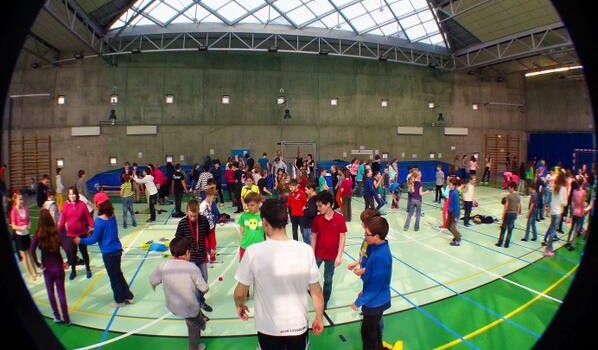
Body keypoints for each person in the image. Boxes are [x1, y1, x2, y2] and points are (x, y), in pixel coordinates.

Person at [233, 198, 324, 350]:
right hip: (298, 327)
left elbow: (239, 293)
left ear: (265, 222)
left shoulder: (253, 252)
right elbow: (316, 291)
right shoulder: (305, 250)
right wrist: (319, 318)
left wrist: (239, 305)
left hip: (268, 328)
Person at [74, 192, 134, 306]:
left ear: (98, 205)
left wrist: (80, 240)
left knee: (114, 278)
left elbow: (93, 240)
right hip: (117, 250)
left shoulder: (99, 221)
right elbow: (106, 232)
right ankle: (128, 296)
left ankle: (120, 301)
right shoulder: (112, 216)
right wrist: (94, 231)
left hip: (109, 253)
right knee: (119, 274)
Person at [149, 237, 209, 350]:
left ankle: (200, 320)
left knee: (192, 316)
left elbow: (153, 280)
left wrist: (155, 286)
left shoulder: (163, 266)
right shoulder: (192, 267)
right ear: (187, 252)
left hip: (172, 306)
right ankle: (194, 347)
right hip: (189, 308)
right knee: (193, 328)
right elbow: (204, 288)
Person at [351, 215, 392, 350]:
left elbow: (376, 287)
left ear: (377, 236)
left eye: (367, 234)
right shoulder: (375, 248)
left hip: (376, 302)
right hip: (374, 298)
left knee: (368, 334)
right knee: (374, 331)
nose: (364, 236)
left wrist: (359, 301)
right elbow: (371, 273)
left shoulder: (381, 256)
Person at [30, 209, 70, 324]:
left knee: (50, 292)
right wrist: (69, 262)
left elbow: (32, 250)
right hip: (58, 266)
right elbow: (68, 248)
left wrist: (38, 264)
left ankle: (57, 316)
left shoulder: (38, 234)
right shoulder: (56, 232)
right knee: (61, 292)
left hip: (47, 268)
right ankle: (66, 318)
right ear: (50, 219)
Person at [175, 199, 213, 313]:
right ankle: (196, 304)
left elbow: (208, 234)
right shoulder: (182, 223)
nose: (192, 218)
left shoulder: (203, 221)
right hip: (189, 258)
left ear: (198, 213)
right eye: (190, 216)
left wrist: (211, 248)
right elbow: (177, 239)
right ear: (186, 211)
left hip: (201, 256)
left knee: (204, 280)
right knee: (192, 283)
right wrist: (179, 256)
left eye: (195, 216)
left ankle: (199, 300)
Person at [311, 190, 347, 309]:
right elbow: (314, 236)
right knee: (310, 275)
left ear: (329, 204)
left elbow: (342, 237)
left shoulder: (340, 218)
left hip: (332, 256)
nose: (319, 208)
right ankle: (314, 292)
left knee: (328, 279)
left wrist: (339, 255)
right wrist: (311, 253)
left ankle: (324, 300)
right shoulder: (317, 219)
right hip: (318, 254)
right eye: (317, 206)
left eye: (320, 206)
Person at [57, 187, 94, 280]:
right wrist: (57, 232)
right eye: (70, 194)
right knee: (72, 254)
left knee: (84, 252)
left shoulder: (82, 205)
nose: (72, 196)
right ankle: (73, 271)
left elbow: (89, 217)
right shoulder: (65, 206)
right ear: (68, 196)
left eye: (73, 194)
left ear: (76, 195)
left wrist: (92, 227)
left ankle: (88, 269)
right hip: (71, 235)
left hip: (82, 234)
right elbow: (62, 221)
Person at [10, 192, 38, 281]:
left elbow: (29, 220)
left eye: (22, 199)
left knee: (30, 253)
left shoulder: (25, 208)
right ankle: (30, 274)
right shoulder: (13, 211)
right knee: (24, 256)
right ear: (15, 200)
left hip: (27, 234)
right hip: (20, 236)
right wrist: (21, 228)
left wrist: (29, 225)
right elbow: (13, 226)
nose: (21, 201)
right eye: (20, 199)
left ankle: (35, 271)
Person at [347, 209, 381, 276]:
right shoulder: (367, 238)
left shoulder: (373, 241)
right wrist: (356, 262)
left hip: (371, 276)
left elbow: (376, 264)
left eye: (363, 222)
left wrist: (363, 271)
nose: (361, 224)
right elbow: (363, 254)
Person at [237, 192, 265, 261]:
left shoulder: (263, 216)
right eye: (248, 205)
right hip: (245, 247)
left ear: (258, 203)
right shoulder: (244, 215)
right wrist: (241, 243)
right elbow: (241, 230)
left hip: (259, 248)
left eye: (252, 205)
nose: (249, 207)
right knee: (244, 269)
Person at [496, 181, 521, 248]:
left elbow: (506, 206)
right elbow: (519, 206)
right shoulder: (518, 196)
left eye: (509, 188)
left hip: (508, 213)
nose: (508, 189)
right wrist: (517, 213)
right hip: (514, 213)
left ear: (512, 188)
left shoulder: (509, 196)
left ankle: (500, 243)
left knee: (503, 228)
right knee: (510, 229)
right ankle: (507, 244)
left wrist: (503, 215)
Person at [447, 177, 462, 246]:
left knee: (452, 227)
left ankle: (458, 240)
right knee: (448, 226)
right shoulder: (451, 191)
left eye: (450, 184)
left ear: (453, 185)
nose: (448, 185)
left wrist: (456, 216)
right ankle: (457, 235)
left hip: (455, 213)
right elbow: (451, 203)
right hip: (450, 212)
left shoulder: (455, 193)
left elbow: (456, 206)